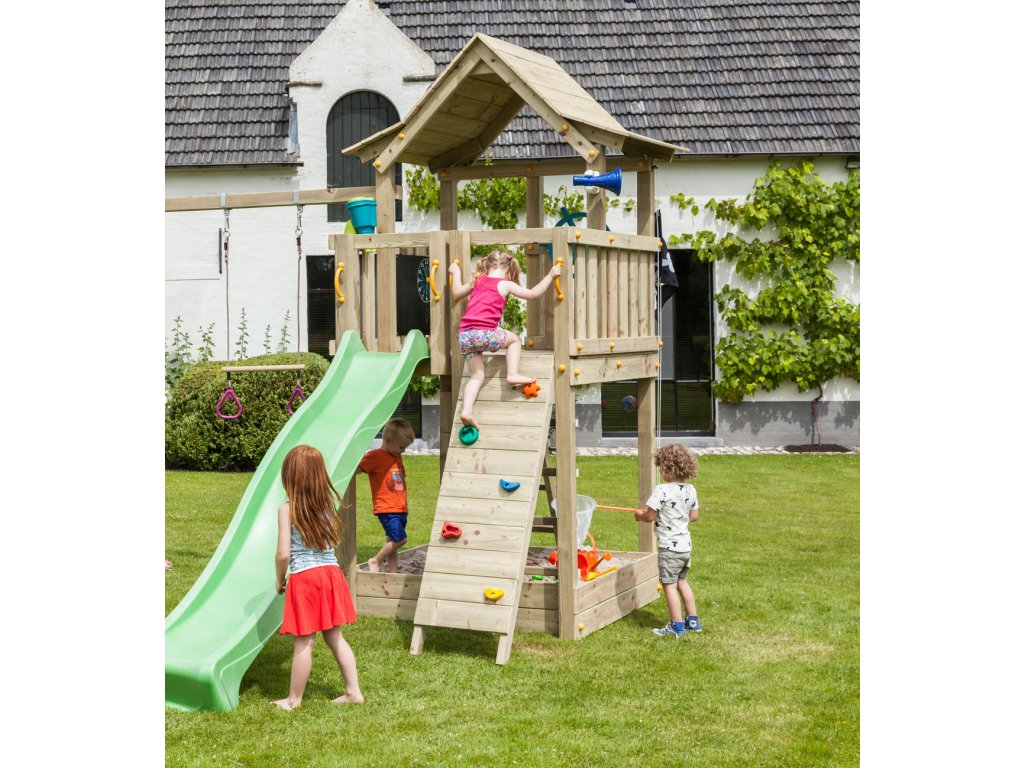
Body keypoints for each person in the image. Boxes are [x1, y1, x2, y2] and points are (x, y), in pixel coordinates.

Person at [275, 444, 363, 709]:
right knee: (335, 637)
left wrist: (280, 578)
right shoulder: (326, 506)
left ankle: (293, 700)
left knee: (304, 641)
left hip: (306, 578)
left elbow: (283, 554)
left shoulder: (287, 510)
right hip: (331, 575)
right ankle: (353, 692)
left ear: (289, 477)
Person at [449, 250, 561, 429]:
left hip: (465, 337)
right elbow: (532, 294)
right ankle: (512, 374)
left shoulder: (477, 280)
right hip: (485, 334)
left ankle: (467, 410)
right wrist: (550, 275)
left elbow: (456, 293)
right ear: (508, 267)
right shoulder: (505, 284)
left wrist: (455, 272)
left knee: (477, 376)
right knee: (514, 340)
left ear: (488, 265)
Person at [635, 444, 703, 638]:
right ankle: (693, 622)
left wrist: (639, 515)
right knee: (682, 582)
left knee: (669, 585)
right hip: (685, 547)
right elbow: (694, 516)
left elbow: (649, 516)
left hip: (669, 548)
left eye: (661, 467)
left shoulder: (662, 490)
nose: (660, 471)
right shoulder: (690, 489)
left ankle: (677, 626)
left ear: (667, 467)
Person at [357, 418, 415, 573]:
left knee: (391, 541)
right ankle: (375, 561)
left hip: (400, 508)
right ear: (388, 440)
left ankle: (392, 572)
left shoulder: (396, 456)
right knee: (400, 539)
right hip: (387, 508)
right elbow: (358, 469)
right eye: (401, 447)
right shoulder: (375, 456)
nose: (403, 451)